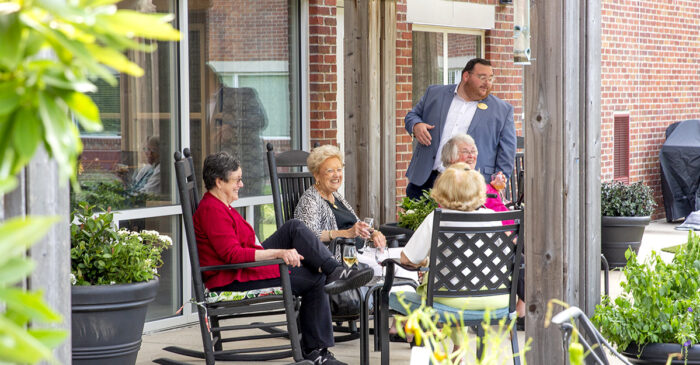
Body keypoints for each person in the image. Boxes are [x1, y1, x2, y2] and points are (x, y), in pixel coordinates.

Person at [193, 151, 373, 365]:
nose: (241, 184)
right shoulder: (212, 211)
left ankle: (333, 270)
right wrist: (279, 253)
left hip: (244, 266)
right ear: (219, 181)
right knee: (314, 278)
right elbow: (232, 255)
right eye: (237, 180)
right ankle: (316, 353)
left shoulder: (220, 205)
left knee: (293, 228)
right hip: (233, 277)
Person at [392, 163, 525, 317]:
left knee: (394, 296)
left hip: (449, 302)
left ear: (443, 190)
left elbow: (406, 259)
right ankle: (458, 342)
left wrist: (425, 261)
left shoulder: (436, 219)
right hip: (497, 300)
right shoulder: (493, 219)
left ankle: (413, 332)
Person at [404, 58, 517, 200]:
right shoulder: (435, 94)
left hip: (468, 185)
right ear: (466, 76)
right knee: (418, 222)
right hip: (425, 178)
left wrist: (500, 178)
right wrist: (416, 126)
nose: (487, 83)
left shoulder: (502, 110)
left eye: (490, 78)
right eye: (482, 78)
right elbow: (412, 116)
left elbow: (507, 151)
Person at [294, 144, 386, 249]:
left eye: (339, 169)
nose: (337, 175)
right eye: (330, 171)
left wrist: (373, 234)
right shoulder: (310, 200)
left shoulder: (337, 196)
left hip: (360, 254)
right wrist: (345, 233)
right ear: (317, 175)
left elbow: (357, 225)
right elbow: (307, 235)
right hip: (337, 259)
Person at [440, 134, 509, 214]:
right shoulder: (456, 184)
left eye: (473, 151)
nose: (471, 155)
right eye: (465, 152)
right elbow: (505, 218)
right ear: (452, 157)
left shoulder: (444, 183)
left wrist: (494, 188)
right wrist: (493, 190)